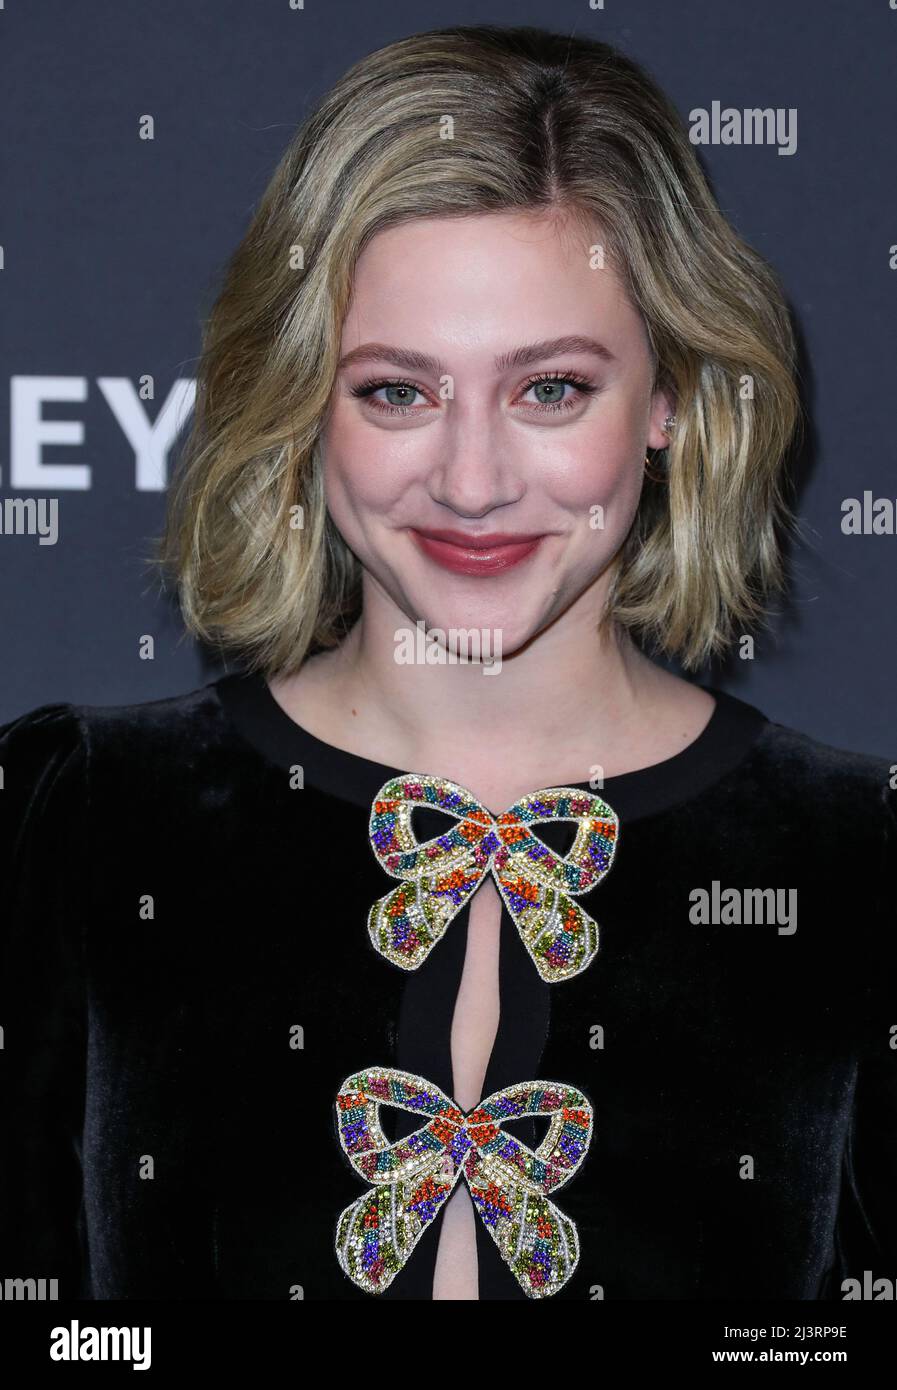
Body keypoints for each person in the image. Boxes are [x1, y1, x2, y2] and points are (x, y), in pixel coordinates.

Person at [1, 24, 894, 1302]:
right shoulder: (74, 823)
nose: (472, 483)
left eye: (551, 389)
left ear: (672, 397)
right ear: (301, 399)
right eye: (397, 393)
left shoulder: (862, 862)